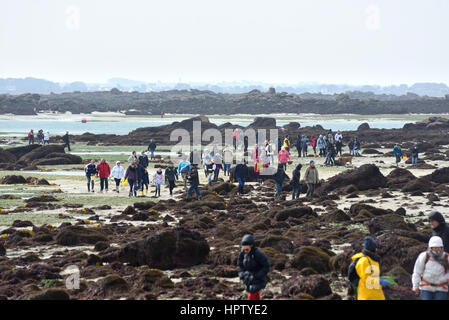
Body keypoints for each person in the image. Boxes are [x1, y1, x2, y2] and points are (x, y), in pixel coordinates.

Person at [412, 236, 449, 300]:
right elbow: (417, 272)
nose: (437, 249)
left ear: (442, 247)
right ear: (430, 247)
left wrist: (445, 279)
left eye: (439, 247)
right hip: (426, 288)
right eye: (435, 248)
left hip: (441, 288)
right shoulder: (424, 256)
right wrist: (415, 286)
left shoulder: (446, 257)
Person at [237, 234, 270, 301]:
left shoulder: (258, 253)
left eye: (247, 249)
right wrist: (241, 275)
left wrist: (257, 276)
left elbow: (266, 266)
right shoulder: (242, 253)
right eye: (243, 249)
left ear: (251, 246)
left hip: (258, 278)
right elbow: (240, 265)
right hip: (247, 278)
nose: (245, 251)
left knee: (252, 293)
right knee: (253, 293)